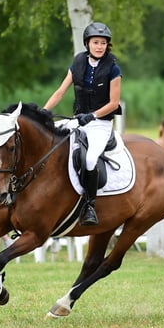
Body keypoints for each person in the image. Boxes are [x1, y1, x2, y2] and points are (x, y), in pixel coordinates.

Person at [43, 21, 122, 226]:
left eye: (103, 43)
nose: (99, 46)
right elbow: (60, 91)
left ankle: (89, 205)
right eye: (96, 42)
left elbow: (114, 103)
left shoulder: (113, 68)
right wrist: (42, 113)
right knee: (50, 145)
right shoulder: (78, 63)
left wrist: (93, 115)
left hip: (100, 125)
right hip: (77, 121)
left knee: (89, 160)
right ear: (87, 43)